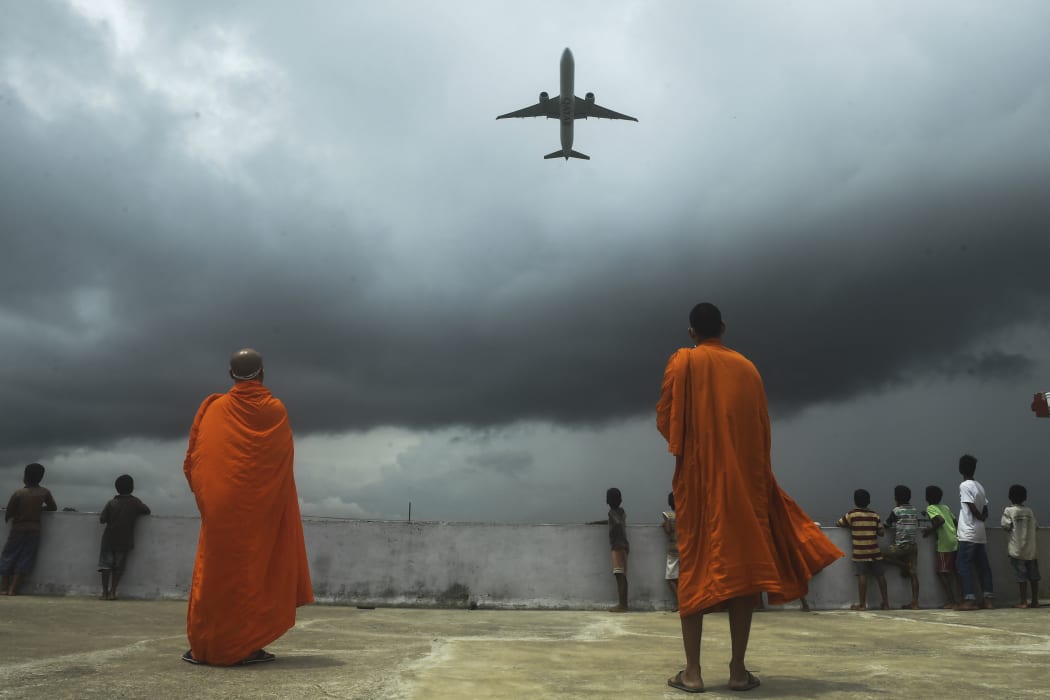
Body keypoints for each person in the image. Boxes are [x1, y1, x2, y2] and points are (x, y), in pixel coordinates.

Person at [656, 303, 843, 694]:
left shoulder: (682, 362)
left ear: (692, 332)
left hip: (700, 485)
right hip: (745, 485)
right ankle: (737, 671)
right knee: (744, 574)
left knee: (694, 572)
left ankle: (692, 673)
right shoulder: (748, 369)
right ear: (723, 328)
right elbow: (761, 430)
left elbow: (667, 421)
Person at [182, 349, 313, 666]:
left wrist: (210, 500)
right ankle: (244, 646)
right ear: (263, 374)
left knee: (216, 573)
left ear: (230, 375)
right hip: (259, 510)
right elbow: (281, 466)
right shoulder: (275, 410)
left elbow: (195, 462)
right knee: (253, 573)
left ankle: (207, 645)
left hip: (220, 508)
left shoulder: (214, 408)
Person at [0, 463, 57, 596]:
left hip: (18, 528)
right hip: (34, 529)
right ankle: (13, 589)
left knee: (9, 555)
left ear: (25, 477)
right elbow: (53, 507)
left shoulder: (19, 493)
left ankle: (3, 587)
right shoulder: (45, 492)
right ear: (41, 478)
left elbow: (9, 512)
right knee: (26, 558)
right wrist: (39, 508)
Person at [97, 474, 151, 600]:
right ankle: (113, 592)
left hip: (108, 539)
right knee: (118, 567)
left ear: (116, 488)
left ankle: (104, 592)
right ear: (132, 487)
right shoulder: (135, 502)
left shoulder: (111, 503)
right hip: (124, 540)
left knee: (105, 566)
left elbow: (102, 519)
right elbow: (147, 510)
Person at [836, 489, 889, 611]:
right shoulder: (875, 515)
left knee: (862, 576)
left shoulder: (851, 515)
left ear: (855, 501)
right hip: (875, 551)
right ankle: (886, 603)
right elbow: (881, 532)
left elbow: (839, 523)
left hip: (860, 552)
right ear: (869, 501)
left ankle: (862, 605)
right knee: (880, 576)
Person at [956, 454, 993, 610]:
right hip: (980, 532)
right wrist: (982, 518)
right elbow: (985, 508)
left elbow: (971, 507)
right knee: (983, 566)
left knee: (962, 564)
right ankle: (988, 599)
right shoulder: (980, 486)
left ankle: (969, 599)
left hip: (968, 532)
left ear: (960, 469)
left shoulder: (964, 486)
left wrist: (978, 516)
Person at [1001, 484, 1039, 609]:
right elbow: (1036, 526)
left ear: (1010, 497)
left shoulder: (1008, 511)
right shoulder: (1029, 511)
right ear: (1025, 497)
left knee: (1021, 577)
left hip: (1017, 550)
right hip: (1031, 550)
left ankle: (1023, 601)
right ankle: (1034, 601)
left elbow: (1005, 526)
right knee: (1034, 577)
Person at [882, 485, 920, 609]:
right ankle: (915, 602)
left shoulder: (896, 510)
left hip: (901, 546)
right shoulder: (914, 510)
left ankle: (903, 565)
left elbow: (887, 524)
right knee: (914, 575)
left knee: (880, 554)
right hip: (913, 546)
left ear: (896, 498)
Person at [921, 485, 959, 609]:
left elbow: (940, 521)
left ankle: (951, 601)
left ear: (927, 497)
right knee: (955, 572)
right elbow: (955, 521)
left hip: (944, 544)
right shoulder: (945, 507)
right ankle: (961, 598)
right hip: (954, 540)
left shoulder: (930, 508)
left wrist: (929, 531)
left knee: (942, 572)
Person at [662, 492, 679, 612]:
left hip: (673, 550)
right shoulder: (684, 514)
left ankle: (680, 603)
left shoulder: (668, 515)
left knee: (671, 578)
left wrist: (664, 524)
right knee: (683, 578)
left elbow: (668, 530)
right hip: (684, 549)